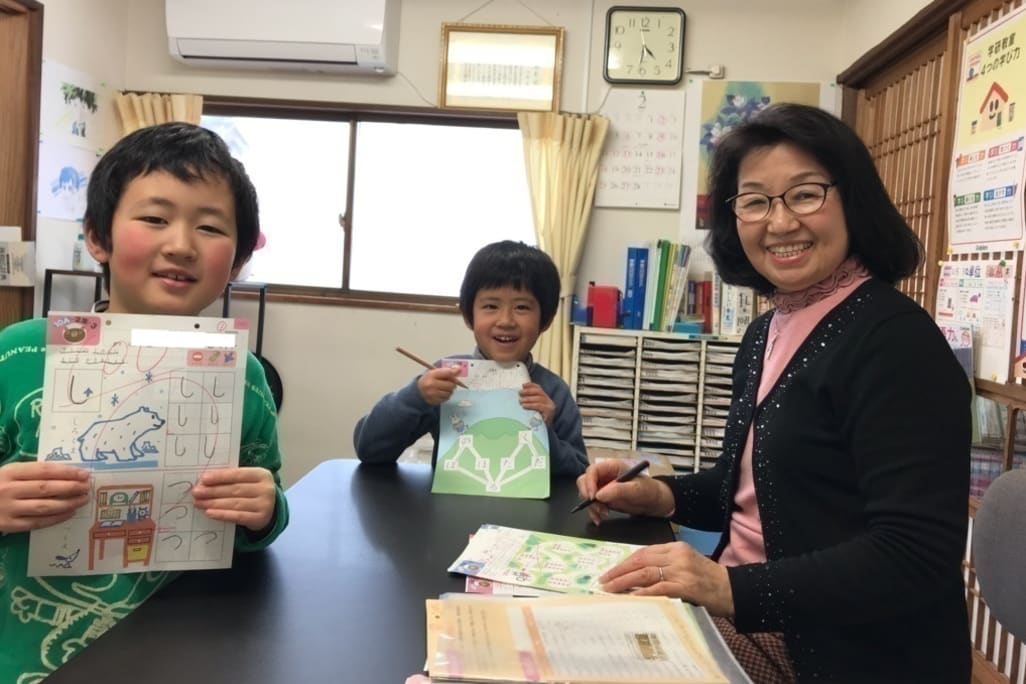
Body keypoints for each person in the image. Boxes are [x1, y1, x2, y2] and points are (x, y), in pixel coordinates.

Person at [576, 103, 971, 682]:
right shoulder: (767, 329)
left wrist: (727, 587)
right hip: (751, 611)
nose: (780, 223)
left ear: (853, 200)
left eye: (805, 194)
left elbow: (914, 554)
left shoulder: (896, 341)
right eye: (756, 201)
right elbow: (753, 490)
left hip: (833, 650)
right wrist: (657, 495)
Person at [0, 122, 290, 681]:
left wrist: (264, 510)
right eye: (155, 218)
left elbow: (262, 511)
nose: (180, 244)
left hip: (187, 650)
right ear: (97, 237)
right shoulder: (19, 354)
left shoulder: (245, 377)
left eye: (210, 227)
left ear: (236, 262)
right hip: (27, 658)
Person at [354, 240, 588, 477]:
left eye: (522, 307)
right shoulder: (445, 379)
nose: (506, 321)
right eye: (491, 306)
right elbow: (369, 450)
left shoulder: (552, 392)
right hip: (449, 500)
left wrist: (544, 433)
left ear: (545, 320)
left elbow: (578, 474)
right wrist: (416, 396)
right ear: (469, 316)